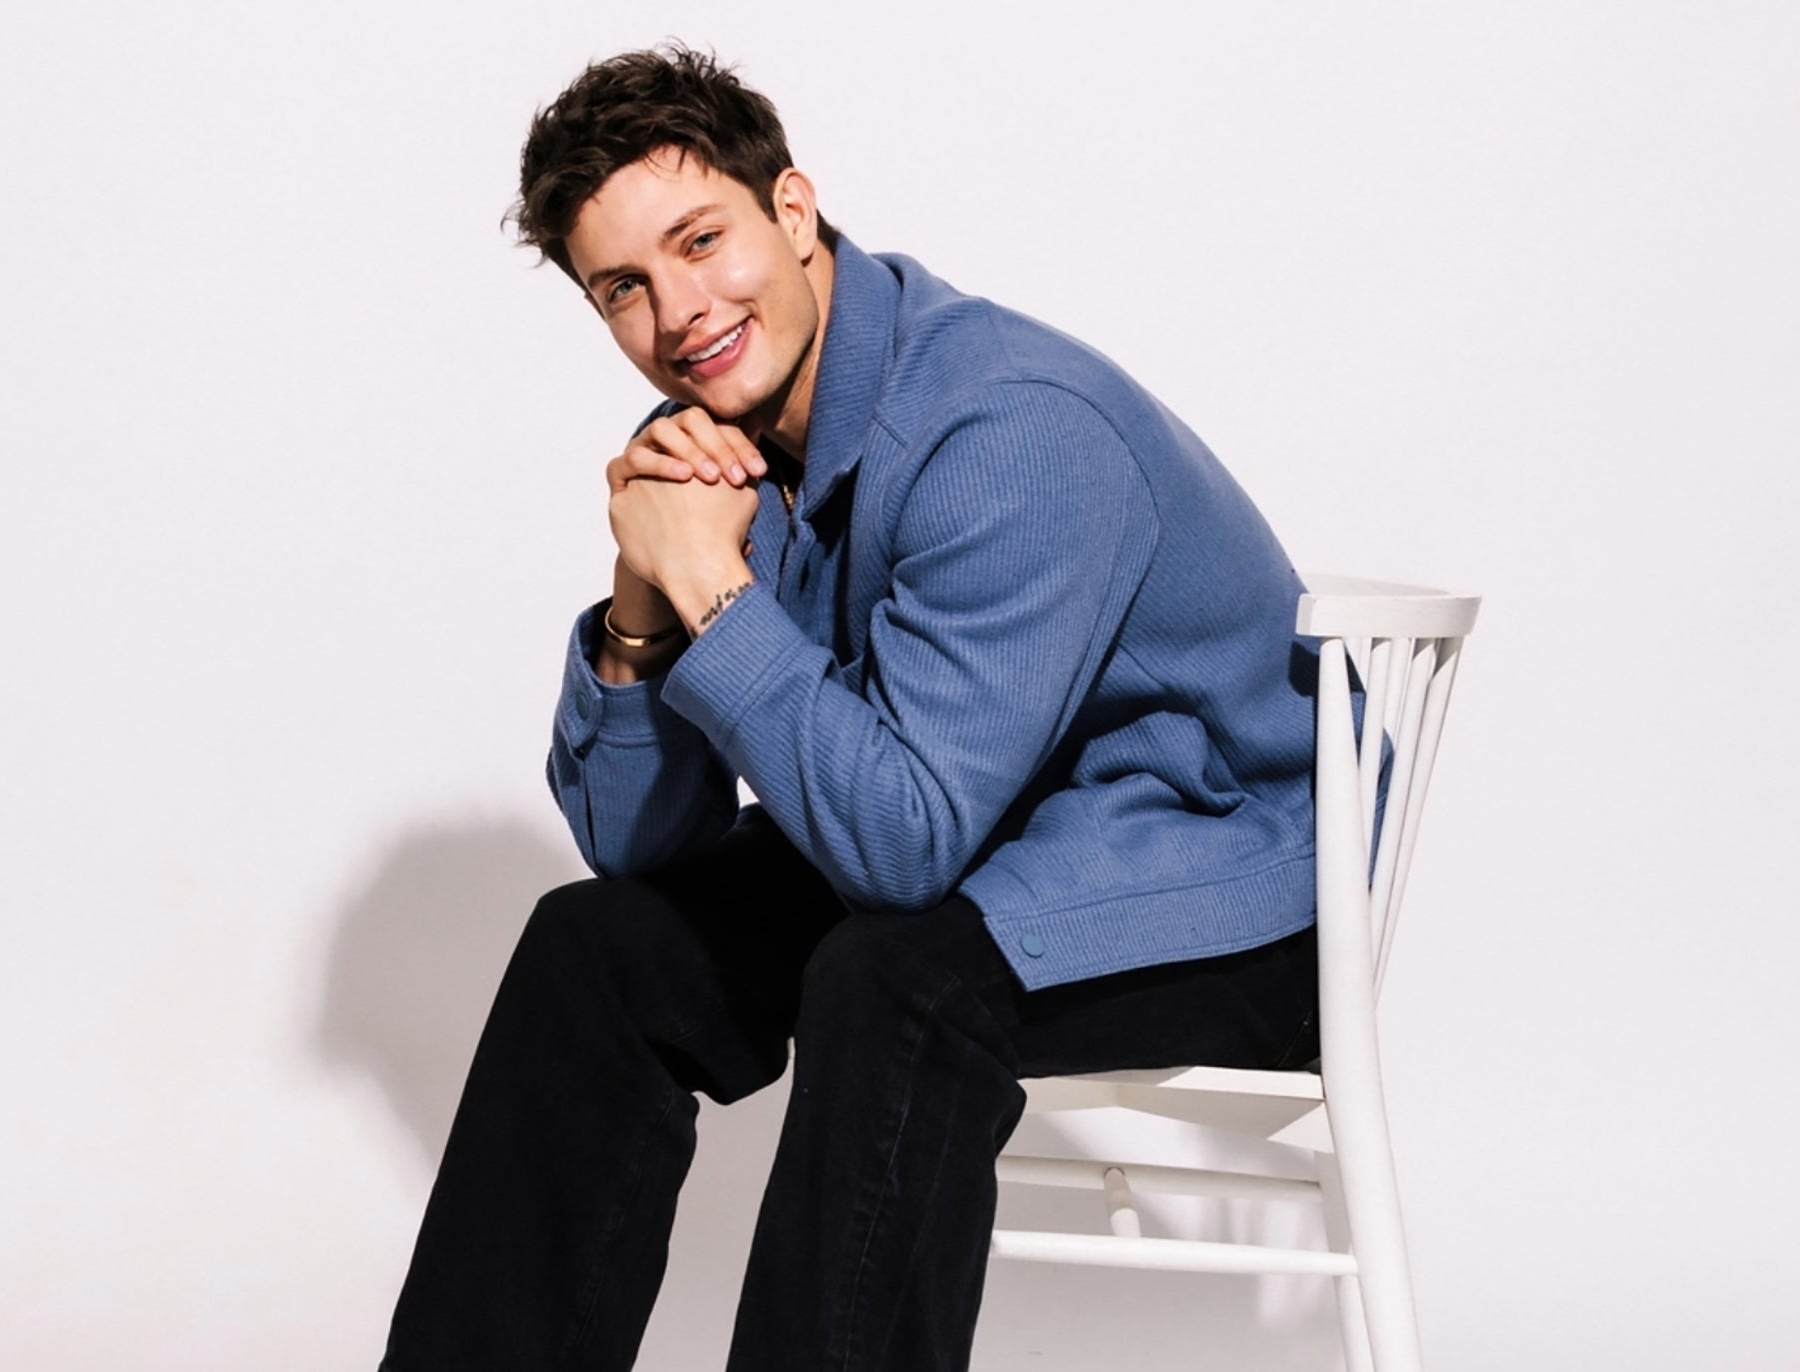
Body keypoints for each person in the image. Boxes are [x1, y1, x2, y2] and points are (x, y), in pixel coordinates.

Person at [381, 45, 1328, 1371]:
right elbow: (639, 848)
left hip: (1214, 889)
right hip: (969, 834)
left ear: (792, 208)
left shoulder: (1008, 427)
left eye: (701, 240)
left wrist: (710, 585)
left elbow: (900, 853)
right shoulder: (722, 448)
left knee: (891, 982)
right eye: (624, 288)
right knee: (597, 946)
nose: (680, 314)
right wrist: (642, 600)